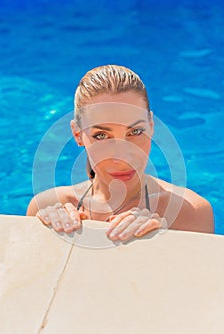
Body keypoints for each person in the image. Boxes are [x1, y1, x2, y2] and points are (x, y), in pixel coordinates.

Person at [27, 65, 214, 241]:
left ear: (151, 125)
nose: (122, 156)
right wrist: (53, 237)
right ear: (77, 134)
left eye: (135, 132)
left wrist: (162, 244)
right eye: (101, 136)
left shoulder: (189, 213)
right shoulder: (47, 206)